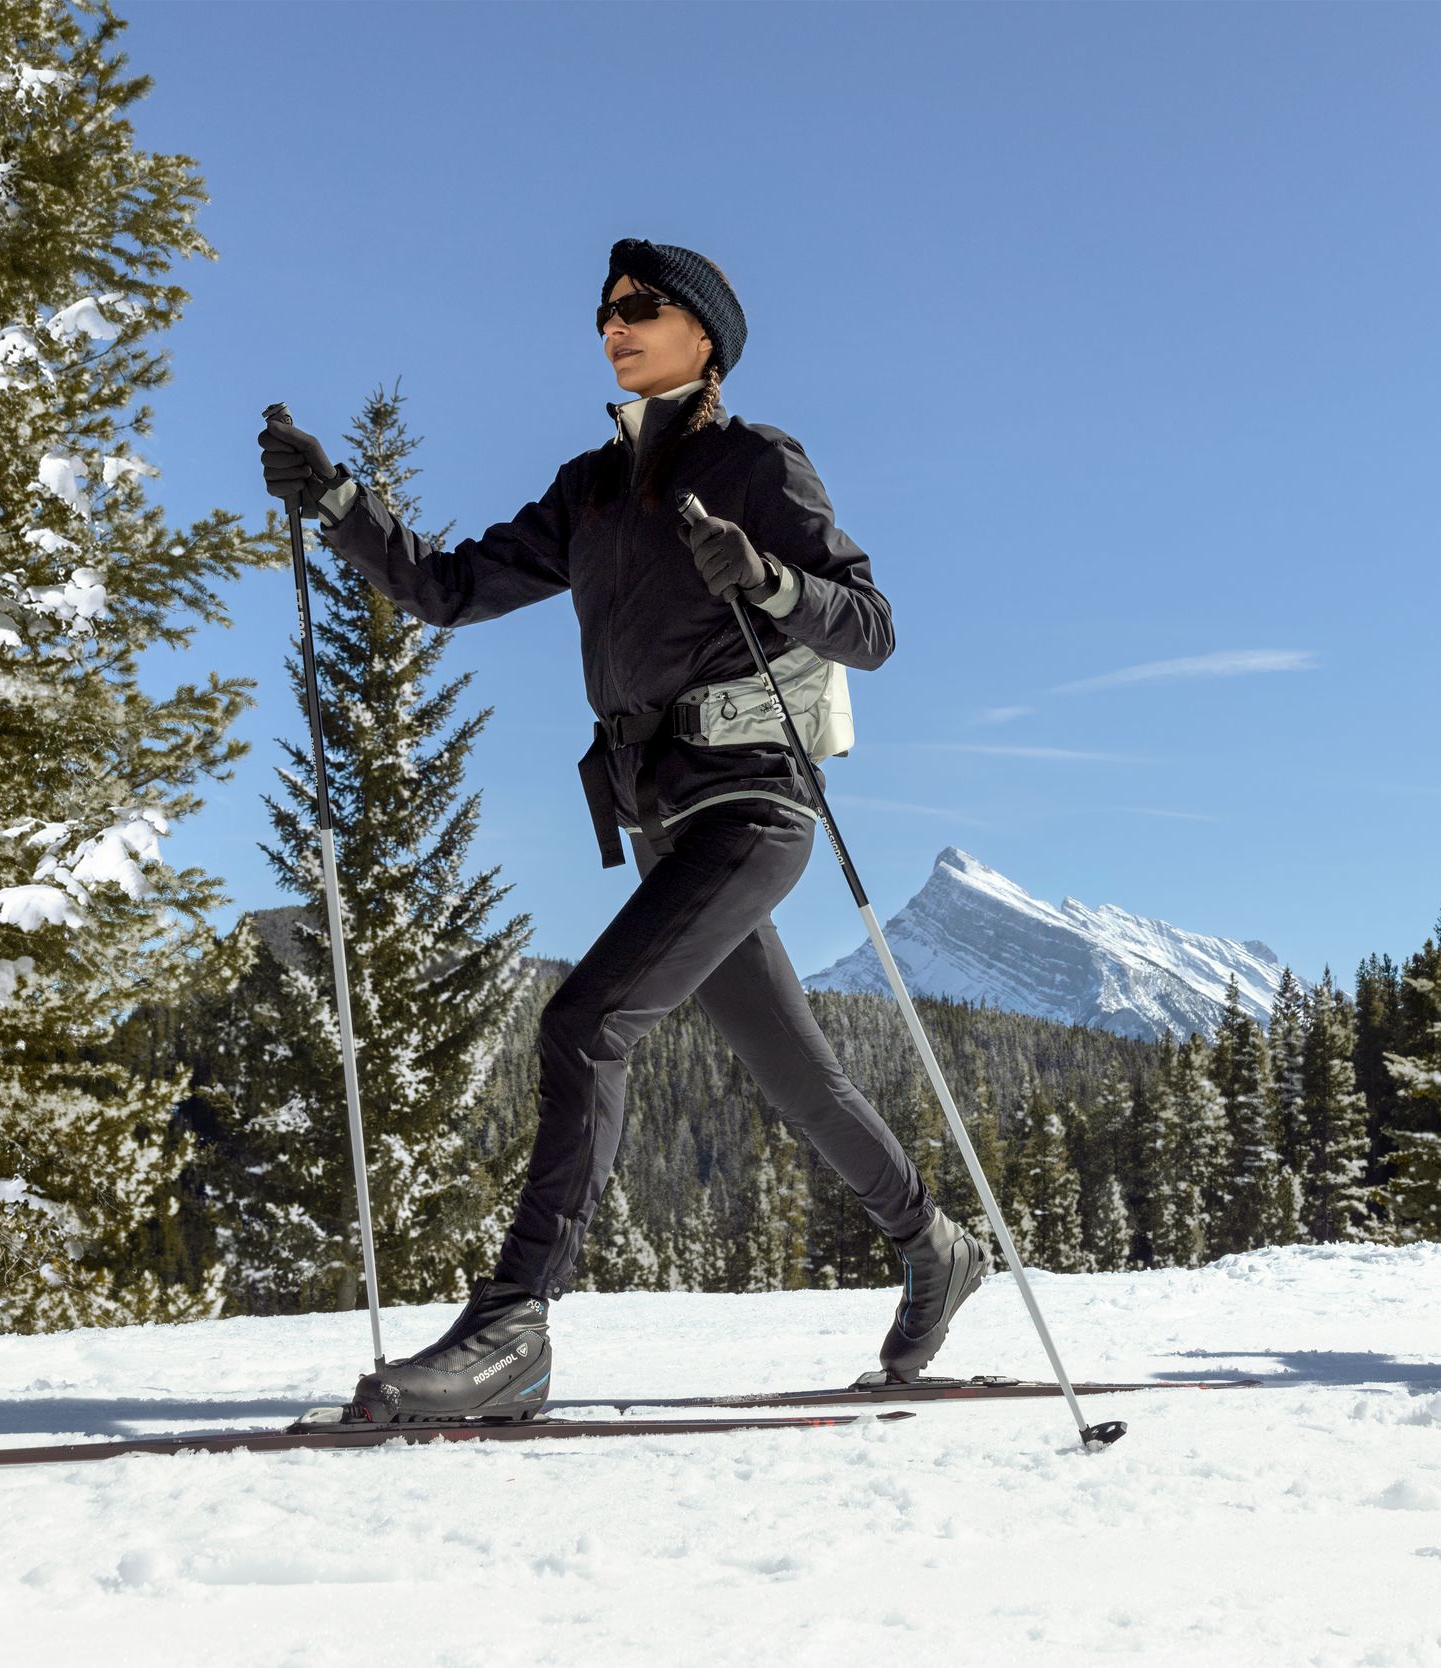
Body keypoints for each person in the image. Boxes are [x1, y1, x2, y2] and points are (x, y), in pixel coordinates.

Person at [256, 239, 988, 1425]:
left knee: (585, 1023)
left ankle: (513, 1329)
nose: (615, 324)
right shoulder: (590, 489)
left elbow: (872, 628)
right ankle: (933, 1243)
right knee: (793, 1070)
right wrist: (337, 500)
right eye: (604, 311)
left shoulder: (756, 463)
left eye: (643, 308)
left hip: (755, 802)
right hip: (659, 814)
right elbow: (446, 588)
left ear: (706, 337)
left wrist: (766, 579)